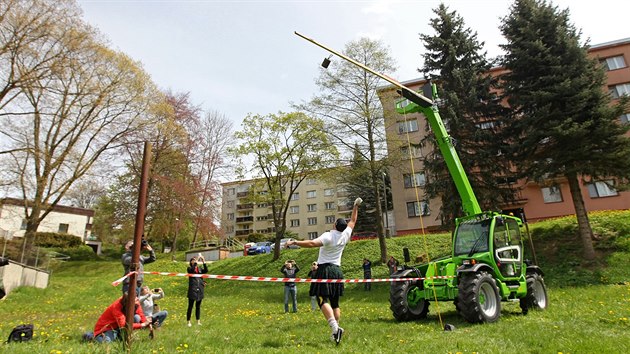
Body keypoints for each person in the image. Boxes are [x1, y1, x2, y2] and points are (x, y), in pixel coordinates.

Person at [285, 197, 362, 346]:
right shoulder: (346, 234)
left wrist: (294, 242)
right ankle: (336, 333)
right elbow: (353, 220)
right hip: (337, 270)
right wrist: (355, 206)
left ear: (334, 225)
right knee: (335, 303)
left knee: (322, 300)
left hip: (325, 270)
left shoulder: (329, 235)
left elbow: (312, 243)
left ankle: (335, 328)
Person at [186, 255, 208, 327]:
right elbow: (192, 270)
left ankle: (198, 321)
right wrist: (196, 261)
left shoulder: (200, 269)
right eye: (193, 260)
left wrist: (203, 261)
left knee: (198, 306)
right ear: (191, 262)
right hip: (192, 290)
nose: (195, 261)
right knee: (190, 306)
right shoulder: (189, 269)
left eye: (195, 260)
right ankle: (188, 321)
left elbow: (206, 270)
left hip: (200, 290)